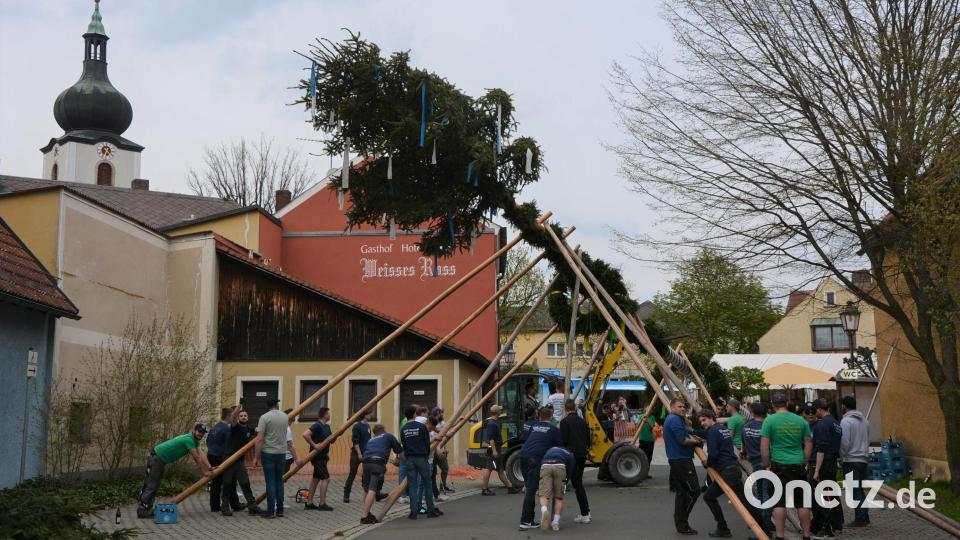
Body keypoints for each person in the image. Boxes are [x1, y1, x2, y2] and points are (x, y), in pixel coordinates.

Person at [696, 409, 762, 538]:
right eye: (701, 421)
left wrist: (707, 463)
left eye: (704, 420)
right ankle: (723, 528)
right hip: (730, 470)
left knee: (745, 501)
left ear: (711, 418)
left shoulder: (713, 432)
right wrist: (692, 431)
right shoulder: (721, 428)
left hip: (728, 471)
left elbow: (713, 453)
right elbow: (704, 433)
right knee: (709, 496)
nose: (702, 423)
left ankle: (764, 529)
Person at [761, 392, 813, 539]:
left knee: (779, 502)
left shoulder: (769, 421)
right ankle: (807, 535)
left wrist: (766, 465)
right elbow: (808, 442)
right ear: (787, 402)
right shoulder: (801, 420)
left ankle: (780, 536)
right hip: (798, 464)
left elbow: (764, 446)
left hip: (779, 465)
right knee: (802, 502)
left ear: (772, 404)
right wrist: (805, 461)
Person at [137, 423, 214, 518]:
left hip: (160, 459)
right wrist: (204, 473)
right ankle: (142, 509)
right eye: (199, 432)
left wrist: (210, 467)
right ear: (194, 430)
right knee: (152, 484)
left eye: (203, 433)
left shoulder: (194, 440)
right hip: (157, 458)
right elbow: (197, 458)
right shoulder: (188, 439)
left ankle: (147, 508)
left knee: (155, 484)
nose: (201, 435)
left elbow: (201, 454)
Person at [518, 407, 562, 530]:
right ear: (551, 417)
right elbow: (559, 447)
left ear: (539, 416)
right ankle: (525, 521)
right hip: (535, 458)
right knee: (531, 490)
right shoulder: (553, 430)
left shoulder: (534, 427)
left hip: (522, 456)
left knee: (529, 488)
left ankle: (529, 520)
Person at [663, 398, 700, 535]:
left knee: (682, 492)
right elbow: (683, 440)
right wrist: (697, 442)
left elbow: (687, 432)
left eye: (683, 407)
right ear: (672, 407)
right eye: (679, 406)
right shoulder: (674, 420)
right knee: (693, 491)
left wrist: (691, 431)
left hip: (678, 459)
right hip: (681, 461)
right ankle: (681, 521)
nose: (682, 409)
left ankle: (680, 521)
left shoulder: (677, 419)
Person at [255, 398, 297, 519]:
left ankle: (270, 511)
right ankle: (280, 510)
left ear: (267, 406)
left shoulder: (264, 417)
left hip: (268, 453)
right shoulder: (285, 417)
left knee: (270, 482)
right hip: (281, 453)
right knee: (279, 481)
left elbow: (260, 439)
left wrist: (256, 457)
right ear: (277, 405)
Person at [220, 407, 263, 516]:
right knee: (227, 483)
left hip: (239, 461)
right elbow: (233, 416)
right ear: (238, 418)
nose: (243, 417)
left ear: (248, 417)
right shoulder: (235, 427)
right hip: (229, 459)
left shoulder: (248, 429)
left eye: (245, 415)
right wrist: (239, 406)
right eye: (241, 416)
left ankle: (252, 506)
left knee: (245, 483)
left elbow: (260, 431)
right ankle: (225, 507)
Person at [401, 409, 441, 519]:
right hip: (422, 458)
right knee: (427, 484)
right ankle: (430, 511)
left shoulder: (403, 429)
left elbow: (404, 445)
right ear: (414, 415)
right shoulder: (421, 427)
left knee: (412, 486)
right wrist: (426, 455)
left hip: (410, 459)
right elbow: (426, 443)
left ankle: (413, 512)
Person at [360, 424, 404, 524]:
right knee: (373, 489)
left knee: (366, 489)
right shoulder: (388, 436)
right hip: (377, 462)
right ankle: (364, 516)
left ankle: (367, 512)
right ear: (384, 429)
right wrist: (404, 462)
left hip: (366, 463)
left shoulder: (371, 440)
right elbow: (400, 451)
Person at [811, 399, 842, 538]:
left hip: (824, 463)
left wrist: (816, 470)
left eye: (814, 410)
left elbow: (821, 449)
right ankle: (832, 526)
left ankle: (824, 529)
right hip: (832, 463)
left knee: (822, 496)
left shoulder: (822, 424)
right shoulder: (836, 423)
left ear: (819, 409)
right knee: (830, 494)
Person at [742, 402, 774, 532]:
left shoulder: (746, 427)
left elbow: (743, 448)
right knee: (767, 493)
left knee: (762, 492)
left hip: (755, 462)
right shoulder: (768, 426)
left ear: (752, 413)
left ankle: (763, 521)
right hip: (768, 463)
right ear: (766, 413)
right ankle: (765, 523)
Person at [839, 395, 870, 528]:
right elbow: (867, 439)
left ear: (844, 406)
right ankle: (865, 517)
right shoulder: (865, 421)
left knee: (855, 490)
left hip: (850, 459)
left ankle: (861, 519)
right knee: (859, 489)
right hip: (863, 459)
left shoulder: (846, 422)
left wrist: (841, 458)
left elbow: (844, 442)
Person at [558, 398, 591, 523]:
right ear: (575, 408)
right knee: (578, 484)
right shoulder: (582, 421)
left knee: (562, 484)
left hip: (570, 455)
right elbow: (588, 437)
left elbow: (563, 440)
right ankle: (585, 512)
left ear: (566, 409)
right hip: (582, 454)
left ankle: (556, 515)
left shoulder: (564, 422)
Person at [207, 408, 242, 513]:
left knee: (215, 482)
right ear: (228, 416)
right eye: (233, 416)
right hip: (221, 457)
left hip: (211, 455)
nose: (234, 418)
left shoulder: (215, 427)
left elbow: (208, 441)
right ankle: (234, 505)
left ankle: (214, 506)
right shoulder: (227, 429)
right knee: (229, 481)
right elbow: (228, 444)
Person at [481, 405, 519, 495]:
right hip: (493, 449)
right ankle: (484, 489)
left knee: (500, 470)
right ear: (497, 412)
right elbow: (491, 439)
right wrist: (494, 451)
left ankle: (510, 487)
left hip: (497, 448)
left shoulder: (494, 422)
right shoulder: (492, 424)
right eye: (500, 410)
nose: (501, 411)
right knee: (489, 468)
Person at [302, 406, 334, 511]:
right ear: (324, 414)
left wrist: (337, 435)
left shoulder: (327, 427)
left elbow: (331, 440)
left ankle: (309, 502)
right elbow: (305, 435)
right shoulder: (317, 425)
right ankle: (322, 503)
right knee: (326, 478)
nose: (330, 415)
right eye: (328, 413)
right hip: (317, 457)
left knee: (315, 479)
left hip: (324, 456)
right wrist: (314, 445)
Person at [538, 446, 575, 531]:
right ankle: (555, 522)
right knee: (559, 497)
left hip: (545, 465)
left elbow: (541, 462)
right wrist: (565, 482)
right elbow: (570, 470)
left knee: (544, 494)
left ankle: (544, 510)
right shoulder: (570, 455)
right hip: (560, 466)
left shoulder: (550, 449)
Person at [344, 408, 373, 503]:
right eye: (369, 414)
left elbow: (368, 441)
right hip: (356, 454)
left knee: (367, 474)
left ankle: (368, 493)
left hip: (366, 453)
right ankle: (346, 494)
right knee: (352, 473)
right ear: (365, 415)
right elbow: (355, 441)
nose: (371, 416)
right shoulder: (357, 426)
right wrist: (359, 453)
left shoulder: (368, 426)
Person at [397, 405, 416, 505]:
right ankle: (403, 495)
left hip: (405, 449)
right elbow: (402, 438)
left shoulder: (404, 422)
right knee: (404, 472)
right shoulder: (408, 423)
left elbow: (401, 438)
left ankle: (405, 495)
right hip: (407, 450)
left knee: (405, 472)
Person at [431, 407, 454, 493]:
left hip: (441, 449)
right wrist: (438, 450)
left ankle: (443, 485)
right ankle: (433, 489)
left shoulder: (442, 422)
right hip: (434, 450)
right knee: (433, 471)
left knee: (445, 468)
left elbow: (445, 436)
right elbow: (434, 438)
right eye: (440, 413)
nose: (442, 415)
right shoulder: (432, 423)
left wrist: (445, 448)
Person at [637, 407, 658, 479]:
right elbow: (637, 427)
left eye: (651, 409)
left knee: (649, 457)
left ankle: (646, 473)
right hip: (642, 439)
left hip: (650, 440)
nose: (649, 410)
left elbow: (652, 427)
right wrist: (642, 420)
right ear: (645, 409)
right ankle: (640, 473)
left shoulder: (652, 417)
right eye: (648, 408)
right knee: (641, 456)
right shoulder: (640, 416)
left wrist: (647, 421)